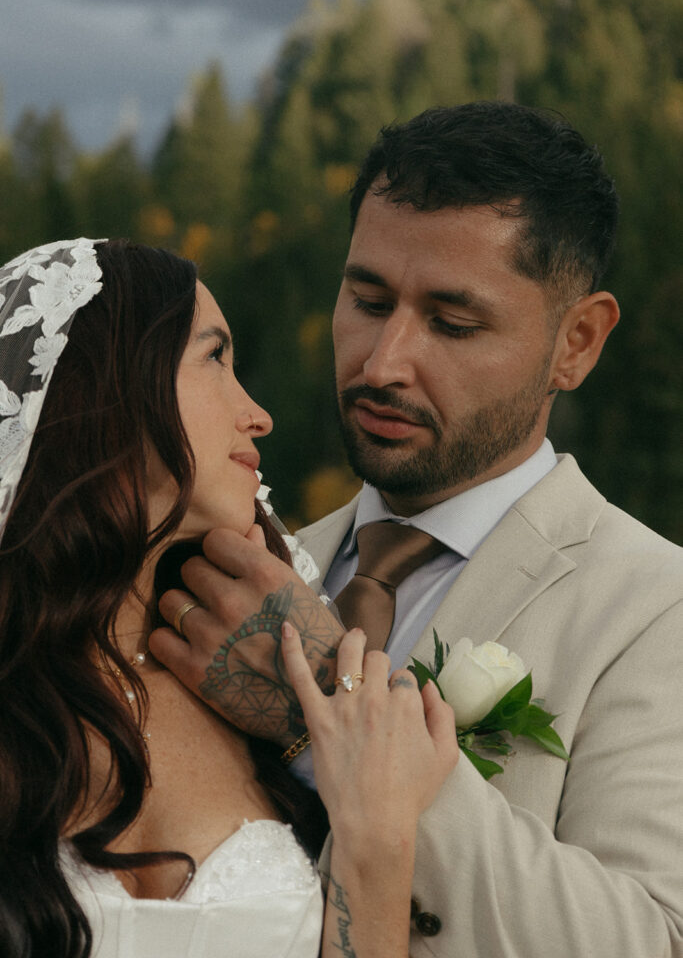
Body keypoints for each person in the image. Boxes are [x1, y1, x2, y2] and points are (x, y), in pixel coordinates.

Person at [152, 103, 683, 958]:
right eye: (366, 300)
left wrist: (328, 709)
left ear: (576, 343)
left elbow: (652, 940)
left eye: (451, 323)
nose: (382, 361)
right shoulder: (235, 579)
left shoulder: (656, 608)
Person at [0, 238, 458, 958]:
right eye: (214, 357)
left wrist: (376, 832)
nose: (258, 414)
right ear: (107, 387)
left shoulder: (257, 693)